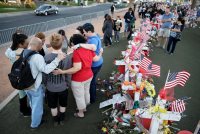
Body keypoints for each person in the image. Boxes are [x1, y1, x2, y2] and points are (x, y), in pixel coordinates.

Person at [53, 34, 103, 118]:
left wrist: (63, 71)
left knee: (79, 96)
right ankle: (84, 107)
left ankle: (81, 113)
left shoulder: (76, 52)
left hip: (78, 79)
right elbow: (96, 59)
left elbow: (77, 68)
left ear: (73, 43)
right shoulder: (89, 49)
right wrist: (101, 52)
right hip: (89, 75)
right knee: (86, 92)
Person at [24, 37, 66, 129]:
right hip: (35, 86)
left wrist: (46, 84)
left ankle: (52, 119)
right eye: (41, 45)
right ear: (38, 46)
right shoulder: (38, 56)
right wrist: (57, 59)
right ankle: (35, 124)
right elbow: (46, 70)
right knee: (37, 107)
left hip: (26, 84)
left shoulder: (24, 52)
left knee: (33, 102)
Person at [43, 33, 72, 126]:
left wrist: (46, 84)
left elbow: (44, 74)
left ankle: (56, 120)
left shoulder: (46, 57)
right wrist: (68, 84)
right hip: (63, 86)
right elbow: (68, 73)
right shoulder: (66, 57)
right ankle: (62, 119)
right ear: (62, 43)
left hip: (50, 87)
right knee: (63, 104)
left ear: (51, 44)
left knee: (53, 105)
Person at [5, 32, 31, 117]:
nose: (28, 44)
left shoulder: (10, 50)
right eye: (26, 43)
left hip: (16, 74)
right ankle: (24, 111)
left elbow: (8, 52)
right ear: (20, 44)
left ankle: (24, 109)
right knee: (23, 92)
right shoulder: (14, 53)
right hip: (20, 74)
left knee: (21, 92)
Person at [82, 23, 103, 103]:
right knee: (92, 80)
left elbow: (93, 47)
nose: (84, 34)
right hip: (99, 62)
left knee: (91, 82)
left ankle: (92, 99)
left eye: (85, 32)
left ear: (90, 31)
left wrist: (80, 45)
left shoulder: (93, 40)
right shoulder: (95, 35)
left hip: (95, 64)